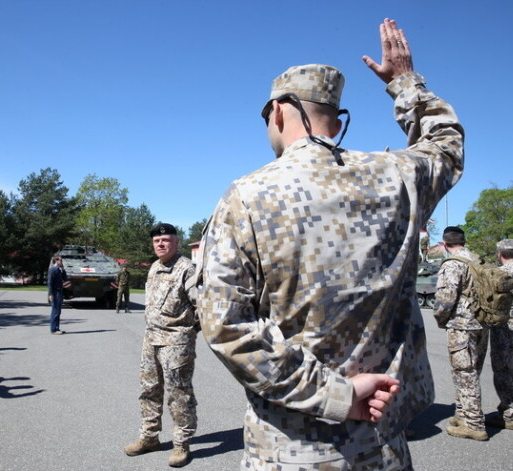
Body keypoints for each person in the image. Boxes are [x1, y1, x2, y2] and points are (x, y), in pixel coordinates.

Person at [197, 18, 464, 470]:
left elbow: (226, 326)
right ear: (338, 124)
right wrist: (404, 84)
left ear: (279, 111)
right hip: (384, 442)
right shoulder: (398, 176)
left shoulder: (248, 195)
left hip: (288, 448)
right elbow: (447, 143)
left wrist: (337, 395)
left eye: (266, 117)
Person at [124, 223, 198, 468]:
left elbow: (203, 307)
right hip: (151, 338)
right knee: (148, 389)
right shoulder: (154, 267)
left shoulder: (187, 269)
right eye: (157, 241)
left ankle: (181, 444)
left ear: (176, 242)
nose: (161, 244)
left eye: (166, 240)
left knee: (178, 394)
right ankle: (149, 437)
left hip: (176, 342)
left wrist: (187, 333)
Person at [434, 226, 488, 441]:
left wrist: (440, 319)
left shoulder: (452, 264)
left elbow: (445, 299)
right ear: (463, 241)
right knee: (472, 372)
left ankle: (474, 425)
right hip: (482, 323)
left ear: (445, 245)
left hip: (462, 327)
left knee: (465, 374)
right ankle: (463, 414)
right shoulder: (477, 260)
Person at [487, 238, 513, 430]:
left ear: (500, 254)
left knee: (504, 369)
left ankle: (508, 411)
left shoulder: (499, 274)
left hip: (505, 328)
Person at [47, 255, 68, 335]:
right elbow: (50, 283)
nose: (61, 262)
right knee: (55, 311)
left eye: (61, 260)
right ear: (56, 261)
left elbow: (65, 278)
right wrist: (50, 294)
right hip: (55, 292)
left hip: (60, 292)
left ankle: (57, 328)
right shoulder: (53, 269)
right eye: (60, 260)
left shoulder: (59, 270)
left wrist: (63, 269)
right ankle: (53, 329)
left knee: (58, 311)